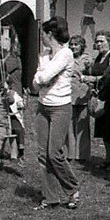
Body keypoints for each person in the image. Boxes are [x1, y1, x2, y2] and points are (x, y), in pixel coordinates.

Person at [31, 16, 79, 209]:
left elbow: (43, 77)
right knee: (43, 154)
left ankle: (73, 188)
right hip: (43, 106)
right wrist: (41, 78)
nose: (41, 37)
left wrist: (42, 78)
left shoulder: (66, 54)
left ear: (50, 34)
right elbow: (36, 81)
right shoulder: (44, 54)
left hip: (60, 107)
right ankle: (51, 197)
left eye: (42, 33)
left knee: (54, 153)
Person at [84, 31, 110, 176]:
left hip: (109, 97)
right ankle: (108, 159)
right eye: (97, 42)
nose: (99, 44)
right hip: (100, 96)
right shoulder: (99, 56)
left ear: (109, 41)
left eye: (102, 41)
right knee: (104, 132)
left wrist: (93, 79)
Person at [67, 35, 92, 162]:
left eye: (76, 44)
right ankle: (70, 153)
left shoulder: (87, 59)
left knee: (82, 123)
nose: (73, 47)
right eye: (71, 44)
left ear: (82, 46)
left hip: (82, 95)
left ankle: (82, 154)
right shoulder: (67, 58)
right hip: (69, 94)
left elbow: (92, 74)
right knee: (69, 124)